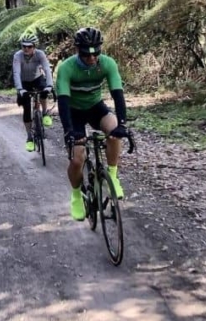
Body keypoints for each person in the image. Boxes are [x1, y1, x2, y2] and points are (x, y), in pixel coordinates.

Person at [55, 27, 131, 221]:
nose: (91, 58)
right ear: (77, 50)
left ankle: (112, 176)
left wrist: (122, 124)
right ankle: (76, 196)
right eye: (86, 54)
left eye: (96, 53)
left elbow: (118, 96)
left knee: (114, 129)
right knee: (77, 159)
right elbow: (62, 103)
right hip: (74, 112)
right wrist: (69, 131)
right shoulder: (66, 68)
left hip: (96, 107)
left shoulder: (107, 64)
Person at [12, 35, 54, 152]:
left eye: (29, 47)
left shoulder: (40, 54)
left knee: (44, 90)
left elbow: (46, 69)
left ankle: (45, 113)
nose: (26, 49)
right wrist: (20, 89)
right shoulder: (18, 56)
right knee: (26, 110)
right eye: (24, 46)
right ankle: (29, 138)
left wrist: (50, 85)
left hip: (37, 78)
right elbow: (16, 73)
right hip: (24, 82)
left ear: (34, 47)